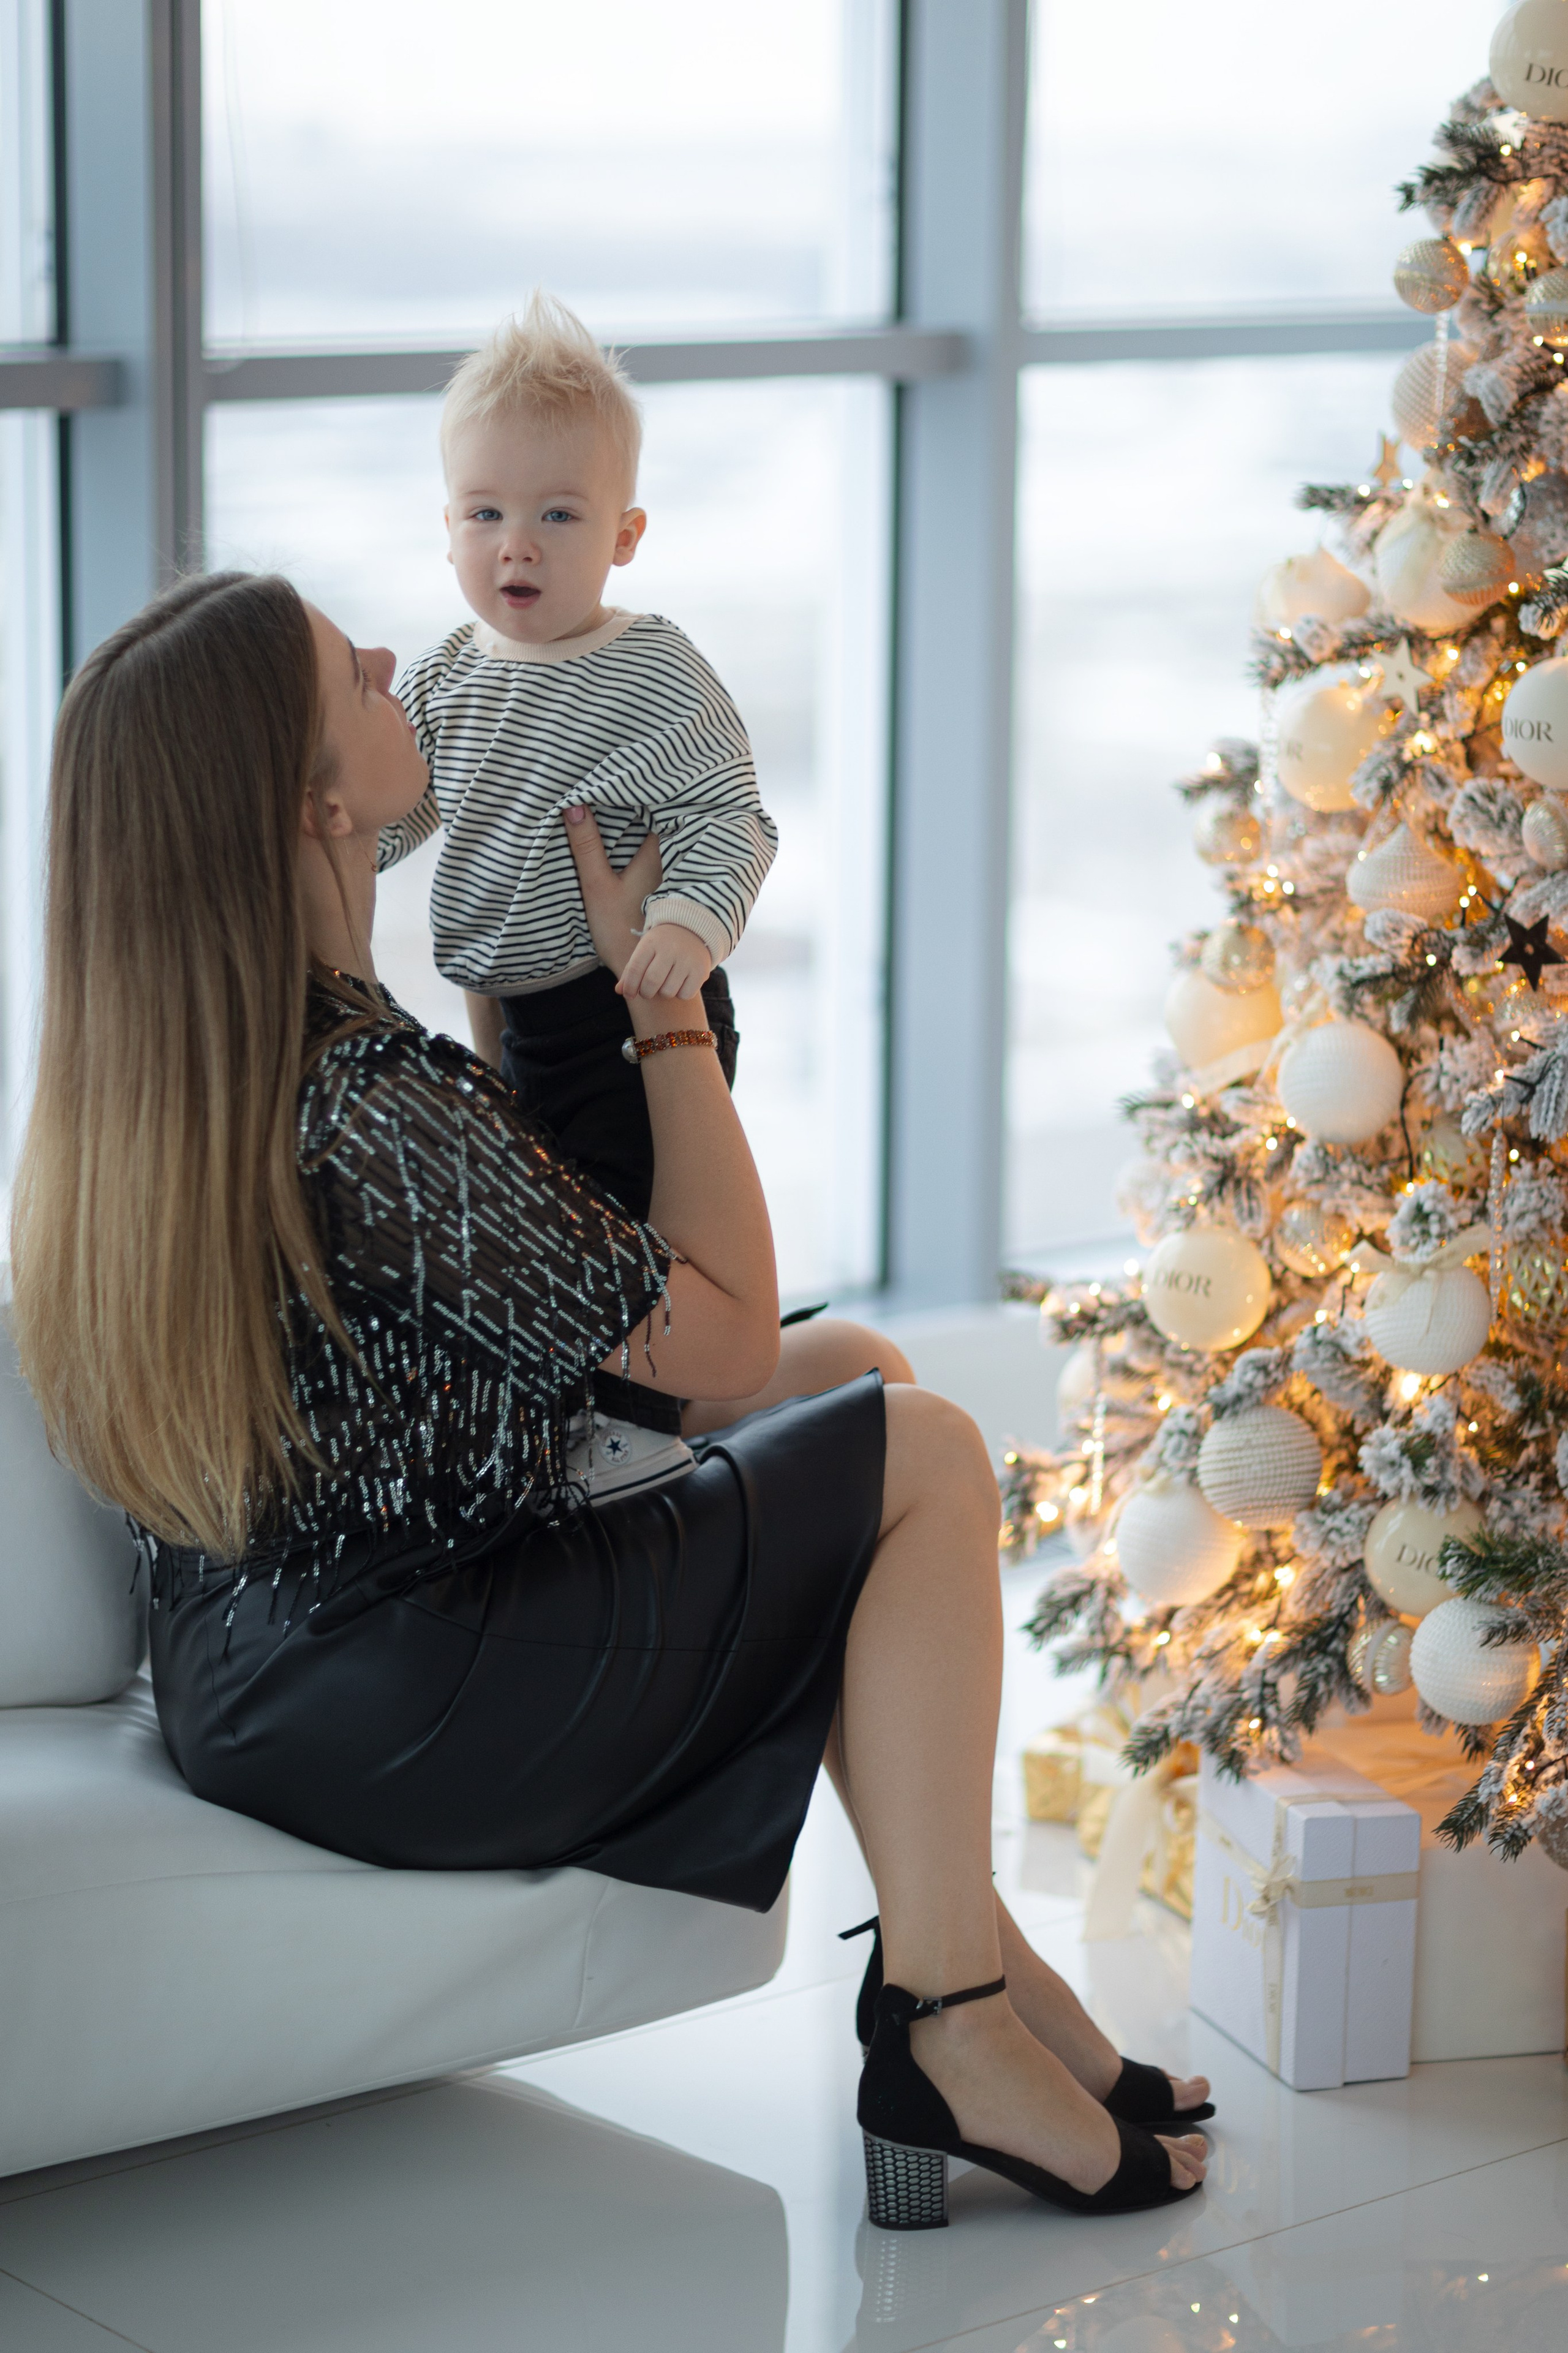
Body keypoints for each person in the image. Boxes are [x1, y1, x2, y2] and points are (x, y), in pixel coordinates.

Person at [9, 573, 1207, 2228]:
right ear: (319, 804)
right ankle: (947, 2027)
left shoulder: (190, 1077)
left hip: (260, 1669)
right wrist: (665, 1016)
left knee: (857, 1373)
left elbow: (518, 1299)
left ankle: (969, 1948)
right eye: (342, 672)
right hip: (404, 1686)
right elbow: (707, 1338)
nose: (385, 656)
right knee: (921, 1457)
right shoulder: (367, 1104)